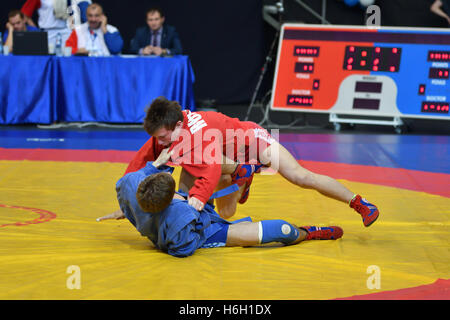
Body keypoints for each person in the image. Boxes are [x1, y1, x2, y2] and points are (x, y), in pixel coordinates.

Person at [121, 97, 380, 228]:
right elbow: (143, 158)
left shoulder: (191, 137)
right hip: (225, 156)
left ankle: (358, 202)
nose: (161, 142)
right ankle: (242, 175)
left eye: (163, 137)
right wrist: (129, 192)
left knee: (301, 177)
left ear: (177, 125)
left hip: (250, 140)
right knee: (225, 213)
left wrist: (198, 198)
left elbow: (210, 168)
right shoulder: (171, 132)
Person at [96, 150, 343, 258]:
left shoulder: (129, 182)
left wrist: (129, 210)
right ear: (173, 197)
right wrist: (193, 207)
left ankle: (240, 172)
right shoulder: (178, 222)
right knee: (282, 231)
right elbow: (184, 249)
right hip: (201, 229)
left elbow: (150, 172)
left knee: (201, 163)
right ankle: (308, 234)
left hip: (181, 209)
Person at [20, 0, 91, 47]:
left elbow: (72, 11)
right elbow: (24, 14)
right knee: (49, 60)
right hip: (48, 32)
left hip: (65, 31)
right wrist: (35, 30)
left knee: (67, 59)